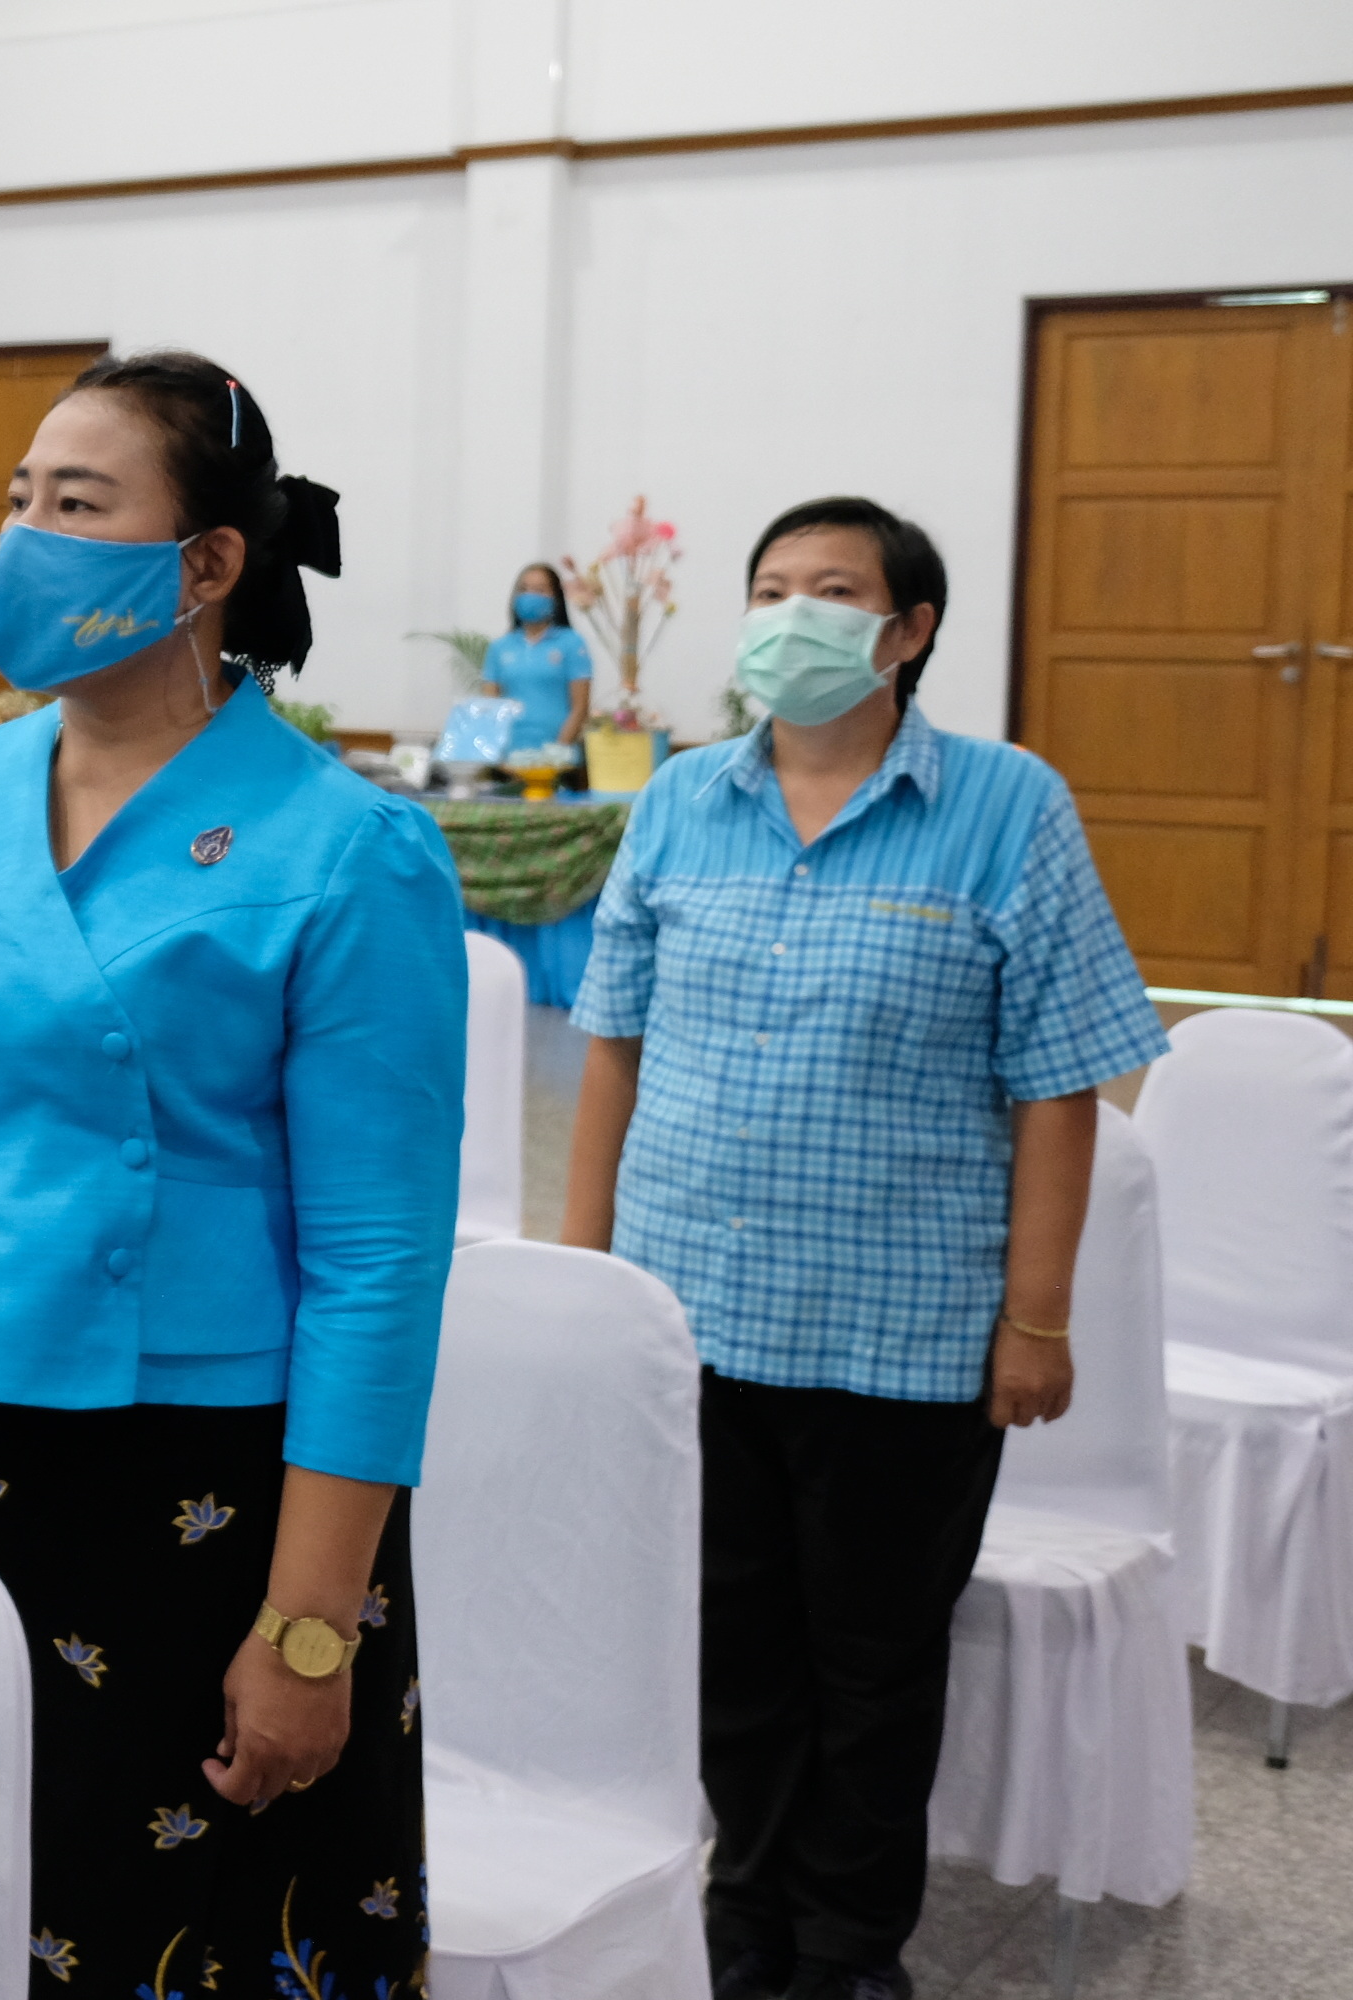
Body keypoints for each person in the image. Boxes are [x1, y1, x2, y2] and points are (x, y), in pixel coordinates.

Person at [0, 351, 464, 2000]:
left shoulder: (347, 849)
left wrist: (313, 1632)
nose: (28, 537)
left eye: (78, 506)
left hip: (208, 1486)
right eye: (20, 499)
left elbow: (378, 1264)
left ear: (210, 563)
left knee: (190, 1923)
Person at [560, 497, 1166, 2000]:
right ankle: (745, 1923)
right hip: (695, 1317)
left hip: (907, 1328)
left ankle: (845, 1951)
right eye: (772, 588)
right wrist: (582, 1291)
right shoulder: (683, 801)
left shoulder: (1006, 807)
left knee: (876, 1667)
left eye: (835, 590)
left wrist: (1039, 1321)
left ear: (909, 631)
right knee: (734, 1656)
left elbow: (1059, 1079)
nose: (793, 616)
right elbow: (614, 1054)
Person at [477, 561, 592, 767]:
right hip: (507, 760)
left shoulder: (572, 643)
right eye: (524, 589)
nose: (530, 596)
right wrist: (499, 758)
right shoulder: (500, 647)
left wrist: (555, 754)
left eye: (539, 590)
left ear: (555, 598)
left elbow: (580, 707)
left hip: (557, 761)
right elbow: (490, 706)